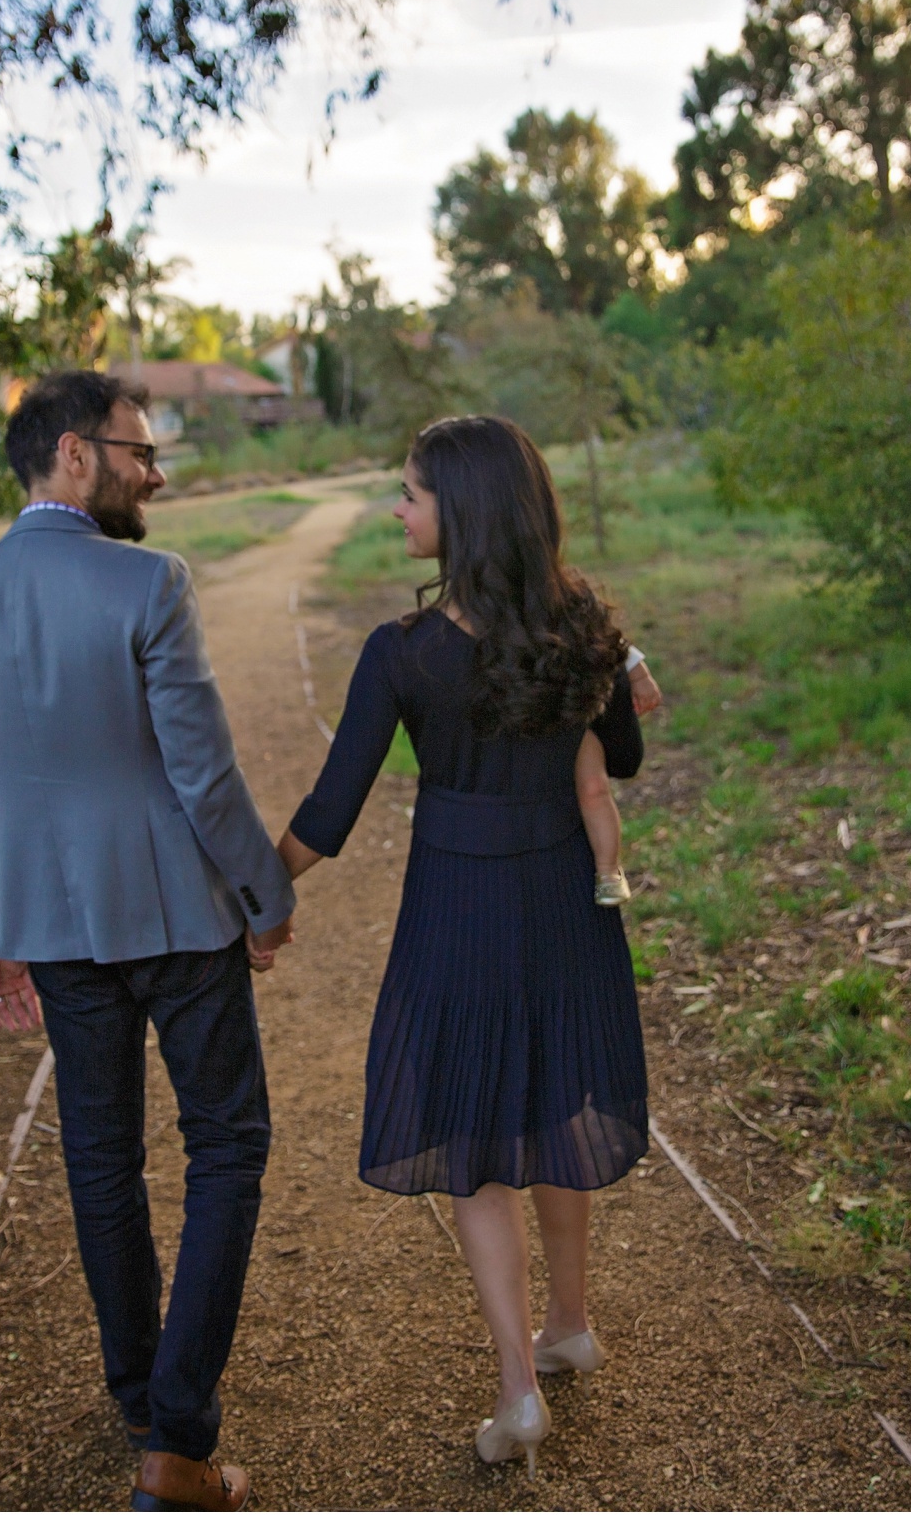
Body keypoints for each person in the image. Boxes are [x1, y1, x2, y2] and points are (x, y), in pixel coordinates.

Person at [0, 370, 295, 1513]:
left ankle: (139, 1391)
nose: (156, 471)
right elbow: (202, 772)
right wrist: (264, 893)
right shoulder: (149, 583)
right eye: (140, 450)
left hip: (49, 926)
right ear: (75, 454)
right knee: (226, 1146)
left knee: (101, 1158)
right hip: (178, 913)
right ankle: (177, 1440)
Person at [273, 415, 649, 1482]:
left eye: (410, 492)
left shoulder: (405, 653)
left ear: (465, 514)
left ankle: (518, 1388)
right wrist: (627, 679)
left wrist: (253, 898)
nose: (397, 508)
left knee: (476, 1138)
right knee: (554, 1097)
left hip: (459, 905)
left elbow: (329, 814)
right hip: (567, 903)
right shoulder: (586, 632)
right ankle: (569, 1322)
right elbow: (620, 755)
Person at [575, 641, 662, 906]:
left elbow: (606, 635)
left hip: (575, 713)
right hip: (525, 705)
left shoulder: (572, 605)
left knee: (594, 789)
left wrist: (639, 674)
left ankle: (608, 870)